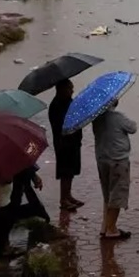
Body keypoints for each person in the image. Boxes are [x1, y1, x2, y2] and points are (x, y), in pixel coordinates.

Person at [92, 101, 136, 241]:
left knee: (107, 195)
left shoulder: (96, 118)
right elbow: (133, 127)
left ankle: (105, 227)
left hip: (102, 159)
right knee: (117, 195)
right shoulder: (117, 117)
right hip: (117, 160)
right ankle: (111, 229)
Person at [0, 166, 50, 259]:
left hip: (15, 176)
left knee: (8, 207)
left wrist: (33, 174)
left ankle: (1, 244)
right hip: (12, 177)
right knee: (10, 208)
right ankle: (1, 245)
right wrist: (33, 175)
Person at [48, 79, 85, 211]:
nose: (72, 91)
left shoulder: (67, 102)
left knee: (71, 172)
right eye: (70, 88)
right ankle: (63, 199)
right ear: (62, 90)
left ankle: (68, 195)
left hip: (73, 142)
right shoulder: (56, 106)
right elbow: (62, 125)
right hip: (64, 144)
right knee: (65, 172)